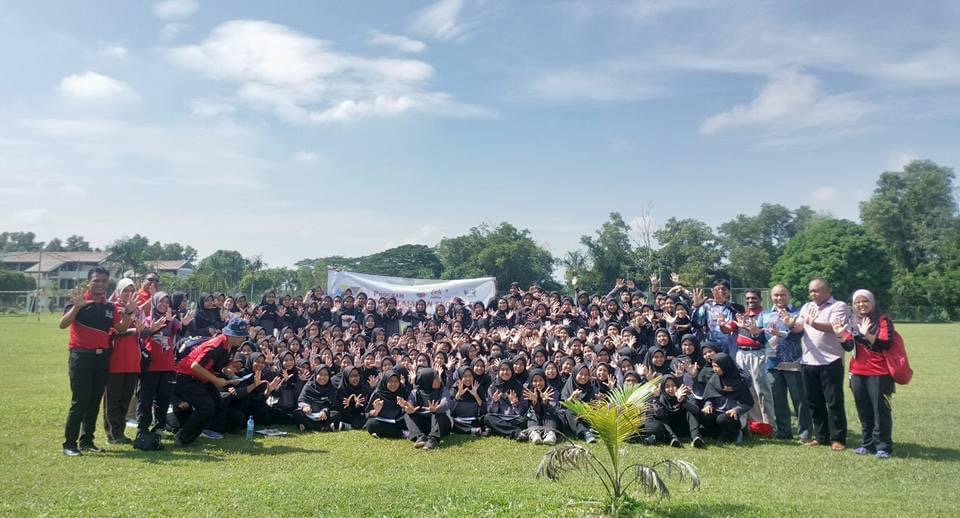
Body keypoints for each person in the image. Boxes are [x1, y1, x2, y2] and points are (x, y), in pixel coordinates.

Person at [59, 267, 135, 456]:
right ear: (88, 282)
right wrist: (76, 307)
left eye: (104, 281)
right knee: (80, 401)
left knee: (94, 401)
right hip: (81, 357)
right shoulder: (79, 301)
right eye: (96, 281)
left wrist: (128, 313)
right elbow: (63, 324)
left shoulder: (109, 307)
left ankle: (87, 441)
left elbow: (121, 329)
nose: (100, 284)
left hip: (102, 358)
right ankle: (69, 444)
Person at [789, 279, 851, 451]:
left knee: (833, 402)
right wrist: (791, 323)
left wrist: (813, 323)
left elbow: (835, 327)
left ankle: (838, 438)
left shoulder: (838, 306)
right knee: (814, 402)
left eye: (816, 290)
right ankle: (821, 436)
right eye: (811, 291)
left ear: (828, 290)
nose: (812, 294)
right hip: (809, 360)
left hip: (830, 361)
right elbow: (800, 326)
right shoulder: (807, 306)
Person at [172, 317, 248, 446]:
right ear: (231, 335)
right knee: (205, 406)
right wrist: (216, 380)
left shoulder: (233, 346)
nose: (243, 338)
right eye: (240, 335)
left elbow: (225, 366)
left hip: (203, 377)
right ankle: (183, 437)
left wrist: (233, 377)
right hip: (186, 376)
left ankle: (205, 431)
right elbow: (195, 366)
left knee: (217, 403)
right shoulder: (215, 346)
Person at [846, 289, 896, 459]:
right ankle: (867, 444)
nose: (861, 305)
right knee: (863, 410)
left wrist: (866, 334)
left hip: (879, 373)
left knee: (881, 410)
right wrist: (839, 334)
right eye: (857, 302)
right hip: (857, 372)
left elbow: (886, 343)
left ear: (872, 302)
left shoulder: (883, 320)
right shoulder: (852, 320)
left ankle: (883, 446)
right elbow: (848, 346)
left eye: (865, 301)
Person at [759, 284, 811, 441]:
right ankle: (784, 431)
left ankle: (804, 432)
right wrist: (754, 333)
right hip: (772, 363)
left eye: (782, 294)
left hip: (792, 362)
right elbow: (760, 337)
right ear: (771, 297)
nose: (779, 298)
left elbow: (799, 334)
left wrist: (788, 326)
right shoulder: (765, 314)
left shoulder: (797, 313)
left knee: (799, 399)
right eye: (776, 295)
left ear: (789, 295)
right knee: (778, 399)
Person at [101, 279, 141, 445]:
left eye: (132, 290)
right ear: (118, 291)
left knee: (126, 399)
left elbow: (142, 330)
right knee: (113, 399)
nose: (128, 293)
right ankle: (113, 434)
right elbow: (115, 331)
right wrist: (132, 328)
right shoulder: (112, 308)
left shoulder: (137, 310)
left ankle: (120, 432)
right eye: (125, 290)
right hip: (115, 361)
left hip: (132, 361)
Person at [734, 289, 775, 435]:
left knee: (762, 391)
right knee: (749, 390)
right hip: (742, 354)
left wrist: (755, 331)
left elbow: (767, 337)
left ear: (760, 299)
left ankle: (769, 425)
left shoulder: (766, 315)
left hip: (758, 353)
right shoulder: (743, 316)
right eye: (748, 299)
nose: (750, 301)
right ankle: (757, 426)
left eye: (753, 298)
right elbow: (727, 329)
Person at [700, 352, 753, 444]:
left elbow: (748, 403)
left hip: (735, 415)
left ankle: (736, 432)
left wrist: (736, 410)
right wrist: (708, 405)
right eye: (713, 366)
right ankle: (720, 433)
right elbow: (709, 397)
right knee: (704, 416)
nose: (714, 369)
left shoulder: (739, 381)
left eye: (717, 366)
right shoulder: (714, 379)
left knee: (722, 419)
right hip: (718, 411)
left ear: (725, 366)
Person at [644, 374, 704, 448]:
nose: (671, 389)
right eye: (667, 386)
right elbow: (660, 415)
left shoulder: (684, 393)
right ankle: (673, 439)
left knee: (690, 411)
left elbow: (696, 410)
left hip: (685, 427)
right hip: (670, 429)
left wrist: (682, 400)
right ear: (663, 388)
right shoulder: (661, 398)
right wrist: (656, 398)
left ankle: (695, 438)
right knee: (662, 417)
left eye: (673, 385)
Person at [402, 368, 451, 450]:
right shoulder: (415, 392)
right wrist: (409, 408)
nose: (439, 380)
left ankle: (433, 439)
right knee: (408, 415)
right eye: (436, 378)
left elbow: (446, 402)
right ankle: (420, 437)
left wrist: (437, 408)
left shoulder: (443, 390)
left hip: (440, 425)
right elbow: (410, 403)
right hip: (424, 426)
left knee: (438, 413)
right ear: (428, 380)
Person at [692, 280, 739, 358]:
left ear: (729, 292)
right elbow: (696, 323)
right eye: (717, 289)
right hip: (711, 347)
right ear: (712, 291)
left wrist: (723, 302)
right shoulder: (706, 307)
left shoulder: (734, 307)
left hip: (730, 347)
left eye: (723, 289)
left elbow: (740, 315)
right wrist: (697, 306)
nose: (720, 291)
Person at [296, 365, 340, 432]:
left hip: (323, 416)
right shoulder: (309, 386)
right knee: (297, 413)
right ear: (316, 375)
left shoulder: (331, 388)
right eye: (320, 374)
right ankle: (323, 426)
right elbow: (301, 400)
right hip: (309, 414)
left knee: (336, 414)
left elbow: (331, 404)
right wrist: (305, 407)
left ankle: (308, 426)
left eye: (326, 375)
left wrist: (324, 411)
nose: (323, 377)